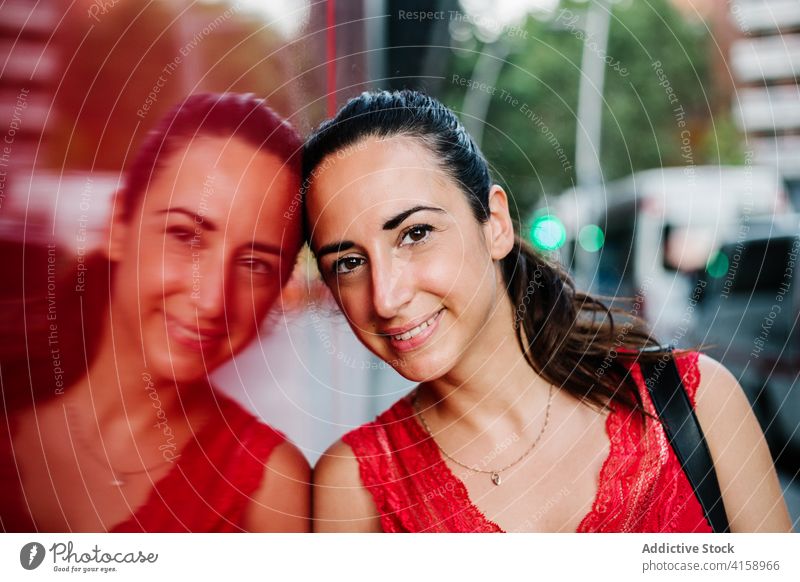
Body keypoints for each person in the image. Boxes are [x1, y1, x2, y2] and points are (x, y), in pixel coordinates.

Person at [303, 90, 792, 533]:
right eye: (348, 263)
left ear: (494, 224)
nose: (385, 298)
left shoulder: (697, 404)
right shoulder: (354, 490)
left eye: (415, 233)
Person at [0, 93, 310, 532]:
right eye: (185, 236)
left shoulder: (267, 493)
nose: (211, 301)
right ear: (117, 227)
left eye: (256, 264)